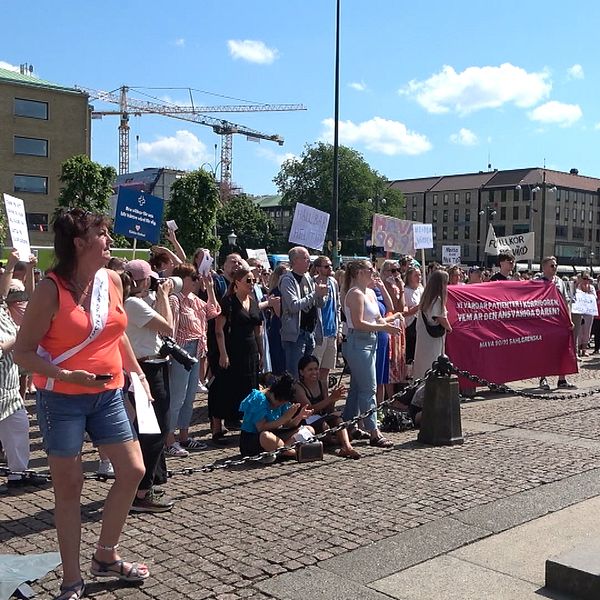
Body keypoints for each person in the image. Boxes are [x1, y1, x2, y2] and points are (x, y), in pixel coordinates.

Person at [14, 208, 151, 600]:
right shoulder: (50, 290)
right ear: (79, 242)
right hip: (61, 401)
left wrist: (136, 373)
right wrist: (65, 377)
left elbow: (115, 333)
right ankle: (71, 579)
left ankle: (105, 555)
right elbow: (23, 353)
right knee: (69, 489)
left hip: (107, 395)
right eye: (102, 232)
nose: (109, 239)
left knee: (132, 470)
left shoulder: (111, 280)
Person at [122, 259, 176, 509]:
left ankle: (151, 479)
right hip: (145, 370)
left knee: (153, 427)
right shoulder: (132, 304)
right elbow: (169, 327)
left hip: (152, 366)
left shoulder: (138, 302)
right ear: (142, 281)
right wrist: (163, 295)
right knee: (154, 428)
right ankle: (141, 493)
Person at [0, 250, 47, 489]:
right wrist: (18, 339)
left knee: (19, 426)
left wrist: (20, 266)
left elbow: (26, 293)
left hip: (7, 390)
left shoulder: (1, 307)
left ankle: (18, 473)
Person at [341, 260, 401, 448]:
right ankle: (374, 431)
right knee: (369, 388)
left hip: (371, 340)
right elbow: (358, 323)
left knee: (358, 388)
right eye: (370, 269)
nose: (373, 272)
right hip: (358, 341)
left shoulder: (369, 293)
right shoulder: (355, 294)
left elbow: (377, 318)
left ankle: (348, 424)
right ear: (359, 272)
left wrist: (392, 319)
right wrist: (384, 327)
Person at [165, 263, 220, 456]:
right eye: (194, 277)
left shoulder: (194, 300)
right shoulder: (175, 300)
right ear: (182, 279)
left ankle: (184, 435)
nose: (197, 280)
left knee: (189, 398)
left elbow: (213, 312)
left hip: (197, 349)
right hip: (182, 350)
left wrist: (211, 288)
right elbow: (171, 329)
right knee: (177, 397)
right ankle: (169, 439)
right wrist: (173, 353)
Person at [211, 266, 263, 442]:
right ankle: (217, 428)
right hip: (232, 350)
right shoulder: (228, 303)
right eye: (248, 280)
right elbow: (219, 331)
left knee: (249, 389)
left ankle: (247, 426)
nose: (251, 283)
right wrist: (223, 354)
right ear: (237, 283)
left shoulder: (254, 302)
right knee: (225, 388)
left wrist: (262, 354)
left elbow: (258, 332)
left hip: (250, 352)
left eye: (253, 280)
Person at [294, 355, 360, 459]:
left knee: (337, 419)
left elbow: (328, 409)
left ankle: (347, 447)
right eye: (310, 369)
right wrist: (330, 399)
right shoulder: (298, 388)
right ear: (302, 372)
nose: (314, 372)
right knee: (325, 426)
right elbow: (310, 409)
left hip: (322, 417)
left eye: (316, 369)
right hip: (307, 421)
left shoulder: (322, 384)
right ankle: (334, 440)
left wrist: (334, 399)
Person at [239, 373, 313, 462]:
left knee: (308, 429)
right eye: (279, 401)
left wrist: (300, 417)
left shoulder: (283, 402)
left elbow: (287, 424)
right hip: (254, 439)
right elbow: (261, 428)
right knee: (266, 436)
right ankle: (294, 452)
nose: (278, 405)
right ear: (272, 392)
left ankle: (281, 450)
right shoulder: (259, 399)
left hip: (276, 435)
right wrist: (284, 418)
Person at [279, 247, 328, 378]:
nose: (309, 262)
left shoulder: (308, 278)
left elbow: (318, 304)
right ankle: (293, 398)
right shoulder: (287, 280)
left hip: (309, 332)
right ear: (295, 261)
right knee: (294, 374)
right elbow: (294, 306)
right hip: (296, 335)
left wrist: (322, 296)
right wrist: (314, 294)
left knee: (308, 375)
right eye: (306, 258)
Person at [536, 256, 576, 390]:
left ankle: (562, 379)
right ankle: (543, 378)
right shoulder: (538, 282)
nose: (555, 268)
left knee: (562, 349)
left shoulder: (560, 282)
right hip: (544, 321)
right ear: (544, 267)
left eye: (556, 265)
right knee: (544, 351)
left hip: (559, 320)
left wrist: (569, 319)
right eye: (552, 266)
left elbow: (566, 302)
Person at [412, 269, 452, 380]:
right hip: (432, 341)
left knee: (422, 366)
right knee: (431, 364)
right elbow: (439, 317)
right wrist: (449, 328)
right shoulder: (437, 300)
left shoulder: (427, 298)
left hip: (424, 338)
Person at [312, 256, 341, 386]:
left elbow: (337, 307)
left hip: (332, 332)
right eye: (326, 266)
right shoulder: (313, 283)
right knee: (314, 370)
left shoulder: (333, 282)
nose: (330, 268)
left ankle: (326, 399)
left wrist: (339, 329)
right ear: (318, 269)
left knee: (326, 370)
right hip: (319, 333)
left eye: (330, 265)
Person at [266, 264, 289, 376]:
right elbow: (279, 313)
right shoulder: (276, 291)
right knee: (279, 357)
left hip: (282, 325)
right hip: (278, 326)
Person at [571, 271, 596, 358]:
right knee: (579, 331)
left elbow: (594, 297)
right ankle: (577, 349)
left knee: (587, 330)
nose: (586, 280)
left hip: (589, 312)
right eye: (584, 278)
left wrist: (587, 294)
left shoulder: (591, 287)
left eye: (588, 279)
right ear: (581, 278)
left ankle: (584, 349)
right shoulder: (577, 288)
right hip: (579, 311)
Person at [403, 266, 424, 368]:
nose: (419, 277)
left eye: (420, 274)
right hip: (410, 324)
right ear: (409, 277)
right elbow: (405, 311)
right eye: (416, 275)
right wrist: (418, 307)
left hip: (421, 323)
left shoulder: (421, 289)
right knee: (410, 351)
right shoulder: (405, 291)